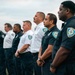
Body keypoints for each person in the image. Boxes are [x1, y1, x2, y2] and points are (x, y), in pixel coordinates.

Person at [50, 1, 75, 75]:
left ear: (67, 11)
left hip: (67, 68)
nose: (58, 12)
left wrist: (53, 65)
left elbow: (65, 50)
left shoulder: (71, 26)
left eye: (60, 10)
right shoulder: (68, 24)